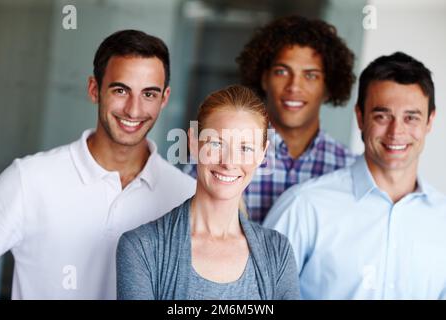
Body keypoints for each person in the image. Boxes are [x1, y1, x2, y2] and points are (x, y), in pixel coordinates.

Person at [0, 30, 196, 299]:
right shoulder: (28, 179)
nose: (134, 110)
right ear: (94, 89)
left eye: (149, 94)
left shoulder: (185, 196)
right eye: (121, 90)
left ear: (165, 99)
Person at [264, 52, 446, 299]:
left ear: (429, 121)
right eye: (382, 116)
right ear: (360, 117)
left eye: (411, 117)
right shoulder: (304, 206)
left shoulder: (442, 220)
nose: (396, 132)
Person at [117, 85, 300, 300]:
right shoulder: (141, 247)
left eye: (245, 148)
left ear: (262, 154)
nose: (229, 162)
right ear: (194, 143)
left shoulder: (278, 252)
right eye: (217, 144)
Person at [184, 15, 357, 223]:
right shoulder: (213, 163)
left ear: (328, 87)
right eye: (282, 71)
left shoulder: (348, 170)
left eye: (310, 75)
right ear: (264, 78)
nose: (294, 86)